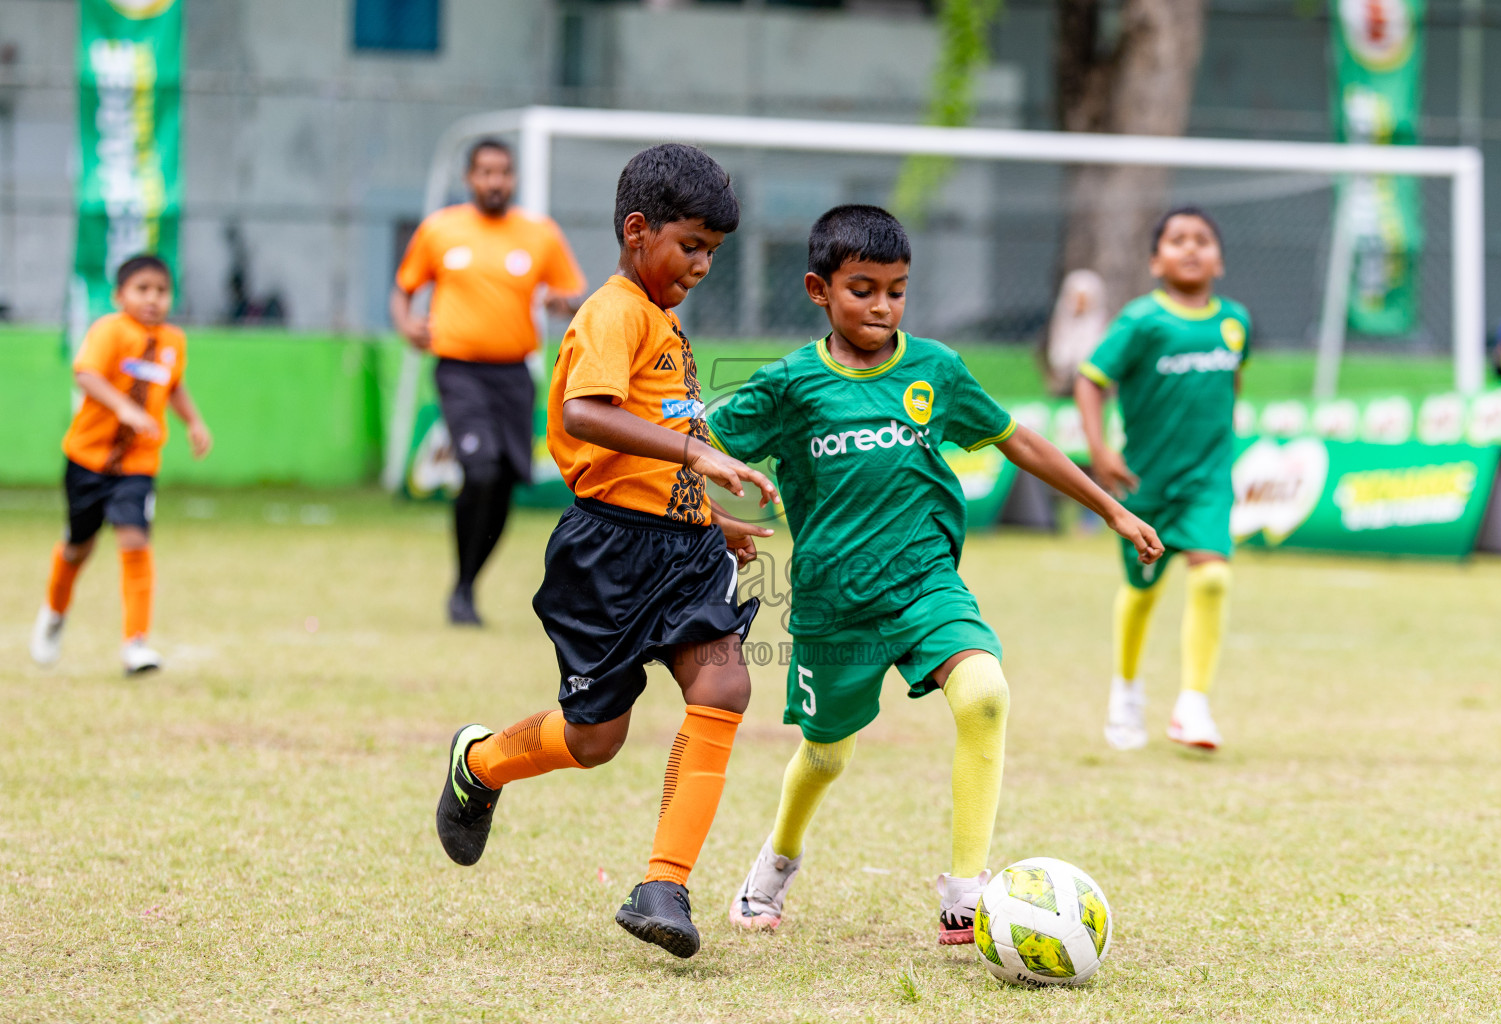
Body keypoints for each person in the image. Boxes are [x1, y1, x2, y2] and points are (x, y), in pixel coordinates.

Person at [708, 205, 1162, 944]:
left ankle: (964, 891)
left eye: (897, 290)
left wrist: (1111, 509)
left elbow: (1020, 442)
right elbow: (693, 446)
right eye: (862, 290)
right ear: (819, 289)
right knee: (825, 755)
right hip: (833, 603)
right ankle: (778, 859)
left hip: (926, 584)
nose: (882, 306)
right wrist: (712, 519)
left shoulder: (936, 370)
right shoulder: (789, 384)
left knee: (984, 695)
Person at [433, 144, 779, 960]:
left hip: (683, 551)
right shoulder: (613, 311)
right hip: (609, 556)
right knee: (595, 740)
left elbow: (654, 450)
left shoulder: (665, 321)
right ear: (636, 230)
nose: (701, 265)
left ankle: (664, 886)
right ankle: (481, 764)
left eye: (711, 251)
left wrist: (706, 516)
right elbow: (586, 415)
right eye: (690, 246)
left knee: (724, 684)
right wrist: (697, 455)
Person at [1074, 206, 1250, 753]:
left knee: (1213, 578)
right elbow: (1089, 379)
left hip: (1208, 482)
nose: (1191, 248)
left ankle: (1193, 706)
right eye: (1177, 240)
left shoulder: (1235, 322)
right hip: (1144, 484)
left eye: (1203, 239)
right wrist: (1099, 450)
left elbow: (1233, 386)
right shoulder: (1141, 321)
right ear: (1155, 261)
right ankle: (1126, 692)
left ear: (1219, 260)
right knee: (1142, 590)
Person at [391, 137, 587, 626]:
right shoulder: (440, 229)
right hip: (459, 371)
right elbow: (404, 287)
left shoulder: (539, 234)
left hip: (515, 375)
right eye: (485, 172)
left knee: (503, 481)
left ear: (513, 178)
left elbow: (574, 295)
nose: (495, 181)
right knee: (479, 469)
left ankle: (468, 583)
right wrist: (406, 323)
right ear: (470, 178)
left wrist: (562, 303)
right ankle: (462, 587)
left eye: (503, 172)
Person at [29, 254, 213, 674]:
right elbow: (86, 375)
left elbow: (173, 385)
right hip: (88, 459)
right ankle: (54, 612)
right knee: (78, 547)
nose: (152, 299)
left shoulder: (173, 341)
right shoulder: (110, 331)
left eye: (162, 291)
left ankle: (136, 643)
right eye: (142, 289)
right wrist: (123, 408)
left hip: (138, 463)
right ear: (119, 296)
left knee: (134, 540)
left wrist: (193, 422)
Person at [1044, 268, 1109, 396]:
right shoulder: (1060, 325)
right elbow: (1057, 359)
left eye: (1084, 299)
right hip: (1062, 388)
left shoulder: (1102, 328)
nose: (1080, 303)